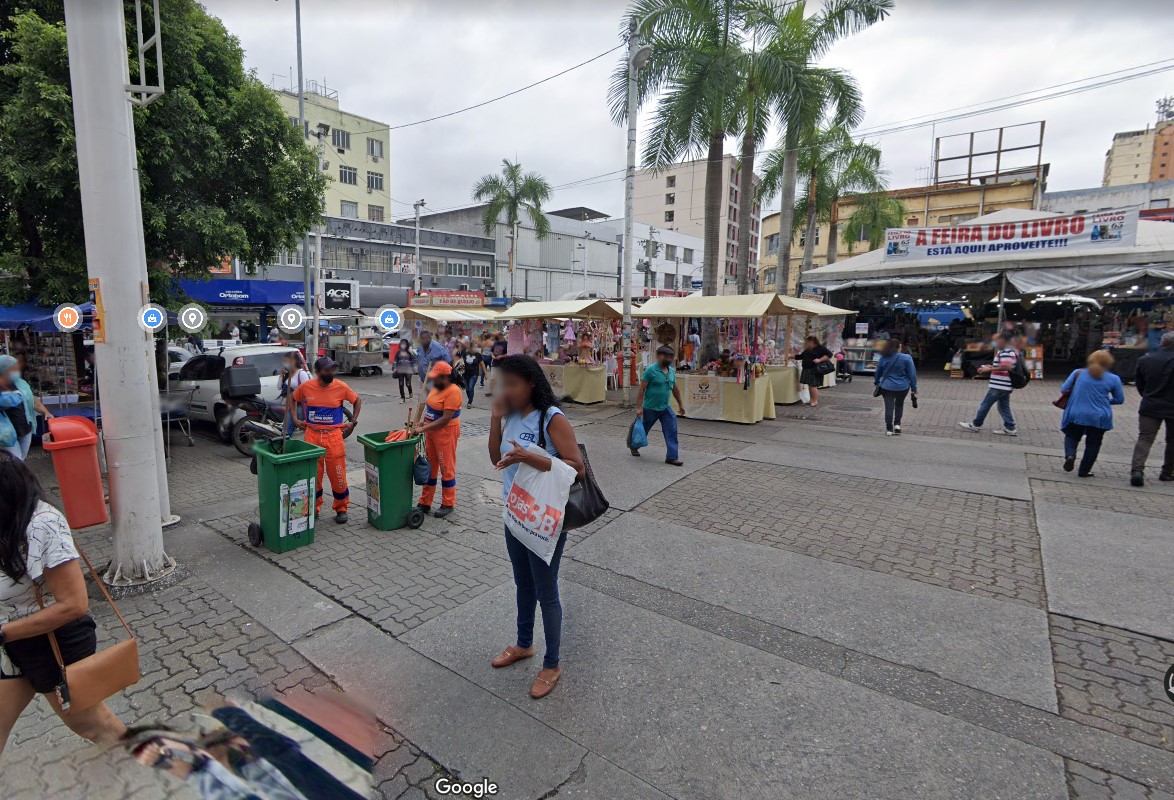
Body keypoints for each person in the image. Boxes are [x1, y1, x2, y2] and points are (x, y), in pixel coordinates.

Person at [0, 452, 127, 755]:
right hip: (13, 647)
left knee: (95, 726)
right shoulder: (6, 522)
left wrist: (4, 633)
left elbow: (74, 604)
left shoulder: (42, 524)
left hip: (53, 643)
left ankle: (163, 771)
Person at [488, 355, 585, 700]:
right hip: (514, 515)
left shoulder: (551, 418)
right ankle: (524, 644)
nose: (506, 390)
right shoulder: (510, 415)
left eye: (512, 384)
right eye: (503, 384)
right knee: (522, 584)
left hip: (545, 520)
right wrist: (495, 419)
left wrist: (530, 456)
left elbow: (577, 467)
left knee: (546, 591)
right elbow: (494, 459)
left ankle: (552, 663)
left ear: (531, 383)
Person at [287, 357, 362, 524]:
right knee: (313, 475)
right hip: (312, 436)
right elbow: (292, 398)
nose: (331, 373)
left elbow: (357, 400)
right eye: (327, 370)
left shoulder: (341, 387)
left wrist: (353, 422)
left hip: (333, 436)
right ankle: (313, 507)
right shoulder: (306, 387)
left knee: (338, 474)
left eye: (332, 370)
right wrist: (295, 419)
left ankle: (341, 508)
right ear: (318, 372)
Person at [1059, 350, 1125, 478]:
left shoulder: (1078, 373)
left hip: (1076, 412)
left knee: (1072, 435)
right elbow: (1119, 399)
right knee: (1093, 443)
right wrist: (1105, 401)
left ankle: (1070, 455)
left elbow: (1063, 389)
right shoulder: (1114, 379)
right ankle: (1084, 470)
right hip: (1099, 416)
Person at [413, 361, 463, 519]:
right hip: (431, 431)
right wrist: (423, 422)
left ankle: (448, 503)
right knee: (431, 466)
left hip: (446, 432)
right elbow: (431, 410)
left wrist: (423, 428)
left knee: (446, 467)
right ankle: (425, 501)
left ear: (446, 377)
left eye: (436, 377)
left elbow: (445, 419)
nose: (433, 380)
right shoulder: (436, 387)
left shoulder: (454, 391)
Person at [1130, 330, 1174, 486]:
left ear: (1162, 342)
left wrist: (1148, 395)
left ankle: (1137, 470)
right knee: (1172, 441)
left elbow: (1140, 383)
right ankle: (1167, 472)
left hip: (1150, 404)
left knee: (1145, 438)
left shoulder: (1145, 360)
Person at [959, 331, 1020, 436]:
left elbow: (1007, 367)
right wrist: (991, 366)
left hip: (999, 385)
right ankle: (1010, 427)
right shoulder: (1007, 351)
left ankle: (976, 424)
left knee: (985, 405)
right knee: (1003, 407)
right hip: (1004, 385)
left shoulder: (1006, 351)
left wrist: (989, 369)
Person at [634, 345, 686, 466]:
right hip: (650, 408)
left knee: (672, 430)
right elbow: (641, 389)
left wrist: (680, 404)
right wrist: (639, 407)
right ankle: (634, 445)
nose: (668, 358)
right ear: (658, 356)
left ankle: (672, 457)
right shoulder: (650, 370)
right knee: (643, 430)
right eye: (665, 356)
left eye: (670, 356)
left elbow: (675, 389)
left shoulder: (672, 371)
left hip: (665, 407)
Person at [0, 355, 52, 460]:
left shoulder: (21, 383)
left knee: (21, 459)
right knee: (16, 460)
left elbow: (32, 400)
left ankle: (13, 475)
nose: (16, 370)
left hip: (25, 429)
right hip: (6, 432)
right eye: (12, 368)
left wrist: (46, 412)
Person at [874, 340, 918, 436]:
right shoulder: (907, 358)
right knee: (899, 405)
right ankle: (897, 425)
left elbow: (878, 372)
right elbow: (912, 374)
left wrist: (877, 382)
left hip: (887, 386)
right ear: (899, 347)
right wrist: (914, 388)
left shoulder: (883, 358)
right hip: (903, 387)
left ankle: (889, 429)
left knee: (888, 407)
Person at [278, 351, 312, 437]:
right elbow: (279, 387)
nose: (285, 364)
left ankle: (284, 448)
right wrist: (281, 375)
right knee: (286, 432)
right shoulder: (289, 374)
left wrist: (294, 398)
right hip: (289, 406)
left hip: (298, 406)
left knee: (286, 433)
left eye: (287, 361)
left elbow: (308, 392)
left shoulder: (301, 374)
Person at [796, 336, 833, 408]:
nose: (806, 343)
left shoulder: (820, 348)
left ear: (812, 342)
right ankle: (811, 399)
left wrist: (819, 360)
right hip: (807, 369)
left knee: (813, 386)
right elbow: (801, 356)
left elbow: (829, 355)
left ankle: (815, 401)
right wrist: (790, 356)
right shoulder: (808, 349)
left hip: (814, 369)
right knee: (810, 385)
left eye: (808, 342)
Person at [391, 339, 417, 404]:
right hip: (400, 370)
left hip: (408, 370)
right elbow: (395, 361)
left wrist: (413, 368)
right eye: (402, 343)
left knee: (408, 384)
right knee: (401, 384)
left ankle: (410, 394)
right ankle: (402, 397)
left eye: (404, 344)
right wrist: (394, 368)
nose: (403, 345)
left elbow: (414, 361)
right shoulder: (398, 353)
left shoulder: (409, 353)